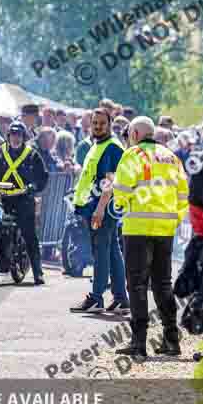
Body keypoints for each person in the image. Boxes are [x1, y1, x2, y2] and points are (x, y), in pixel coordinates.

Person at [112, 116, 189, 357]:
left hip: (137, 228)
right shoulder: (171, 157)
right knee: (163, 284)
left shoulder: (133, 155)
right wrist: (174, 219)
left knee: (136, 285)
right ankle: (171, 340)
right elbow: (183, 193)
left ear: (134, 133)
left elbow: (121, 190)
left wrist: (123, 205)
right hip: (165, 230)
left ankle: (139, 342)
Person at [69, 108, 129, 313]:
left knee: (101, 251)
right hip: (95, 207)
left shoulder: (111, 147)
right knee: (112, 251)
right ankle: (121, 298)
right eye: (95, 123)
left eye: (102, 123)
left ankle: (96, 298)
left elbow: (109, 182)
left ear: (110, 124)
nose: (98, 126)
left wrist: (100, 209)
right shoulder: (97, 145)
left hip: (102, 208)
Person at [0, 121, 49, 285]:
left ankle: (38, 272)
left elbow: (42, 177)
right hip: (0, 197)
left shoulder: (32, 155)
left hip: (22, 198)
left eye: (19, 135)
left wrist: (34, 187)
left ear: (24, 137)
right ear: (8, 136)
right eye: (13, 135)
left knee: (29, 234)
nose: (16, 138)